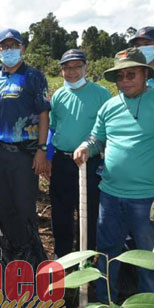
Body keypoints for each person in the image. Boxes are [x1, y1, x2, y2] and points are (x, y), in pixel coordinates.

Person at [73, 48, 154, 303]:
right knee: (107, 252)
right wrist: (86, 147)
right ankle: (103, 302)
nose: (125, 80)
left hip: (147, 197)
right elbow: (97, 138)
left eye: (131, 74)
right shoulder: (109, 106)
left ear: (146, 75)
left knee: (148, 257)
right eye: (120, 76)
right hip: (110, 194)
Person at [0, 28, 50, 273]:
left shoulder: (33, 77)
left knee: (24, 208)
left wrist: (42, 150)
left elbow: (44, 114)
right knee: (3, 207)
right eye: (4, 46)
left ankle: (32, 263)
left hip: (24, 153)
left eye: (13, 45)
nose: (8, 50)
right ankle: (10, 260)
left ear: (22, 49)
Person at [47, 49, 110, 258]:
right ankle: (62, 255)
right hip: (62, 161)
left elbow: (108, 131)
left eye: (76, 66)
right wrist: (48, 157)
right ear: (61, 70)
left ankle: (88, 256)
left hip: (88, 163)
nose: (71, 72)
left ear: (86, 68)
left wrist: (102, 160)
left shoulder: (101, 94)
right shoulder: (58, 96)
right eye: (66, 67)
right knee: (61, 211)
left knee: (90, 211)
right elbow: (53, 128)